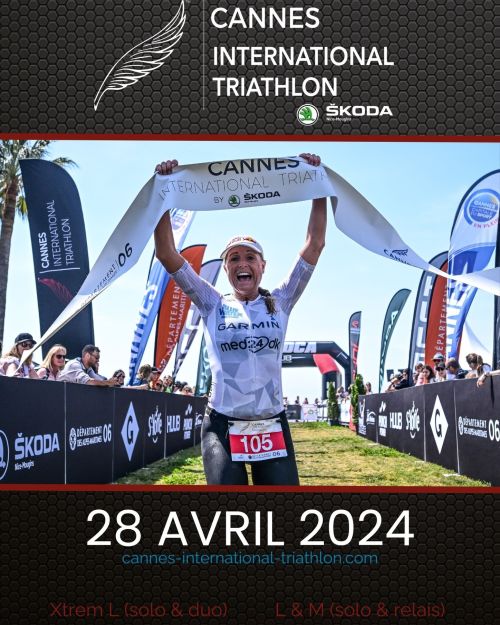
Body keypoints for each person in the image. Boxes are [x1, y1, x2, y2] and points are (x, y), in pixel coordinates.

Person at [154, 153, 326, 485]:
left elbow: (315, 244)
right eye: (234, 259)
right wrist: (163, 194)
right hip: (222, 425)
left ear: (263, 266)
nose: (242, 263)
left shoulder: (281, 300)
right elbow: (166, 253)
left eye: (250, 257)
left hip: (271, 424)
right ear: (226, 268)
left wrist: (318, 185)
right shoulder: (211, 302)